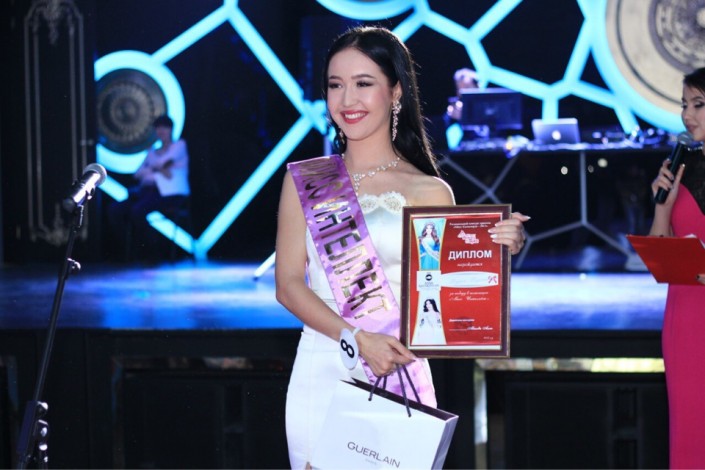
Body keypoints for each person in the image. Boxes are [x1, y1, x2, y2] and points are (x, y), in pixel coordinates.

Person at [274, 26, 529, 469]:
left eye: (363, 83)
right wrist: (356, 338)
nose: (347, 99)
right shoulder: (307, 181)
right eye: (335, 85)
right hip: (323, 368)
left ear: (395, 92)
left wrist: (500, 250)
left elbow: (450, 304)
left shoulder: (430, 191)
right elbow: (289, 286)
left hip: (398, 372)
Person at [649, 67, 705, 469]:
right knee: (689, 430)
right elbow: (661, 252)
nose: (687, 115)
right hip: (685, 317)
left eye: (698, 105)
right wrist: (662, 207)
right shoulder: (680, 167)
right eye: (684, 105)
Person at [108, 115, 190, 260]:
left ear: (171, 129)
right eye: (158, 128)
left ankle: (152, 253)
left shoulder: (179, 146)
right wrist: (157, 171)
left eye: (164, 127)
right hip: (148, 192)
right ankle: (126, 253)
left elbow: (162, 165)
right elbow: (137, 174)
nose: (161, 131)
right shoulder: (152, 152)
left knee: (137, 211)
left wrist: (153, 169)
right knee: (115, 210)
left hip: (170, 194)